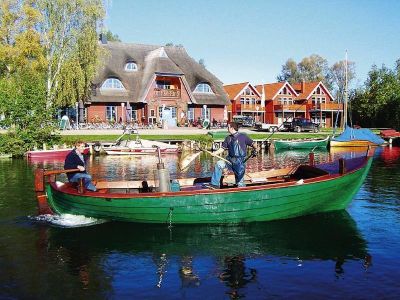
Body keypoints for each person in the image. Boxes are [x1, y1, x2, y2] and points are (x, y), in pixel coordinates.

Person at [210, 122, 257, 188]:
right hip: (230, 161)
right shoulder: (228, 138)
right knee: (219, 164)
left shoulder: (243, 136)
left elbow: (254, 144)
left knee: (240, 183)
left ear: (232, 128)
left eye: (228, 127)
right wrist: (215, 153)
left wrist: (256, 150)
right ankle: (214, 185)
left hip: (240, 162)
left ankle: (241, 190)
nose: (227, 129)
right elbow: (222, 148)